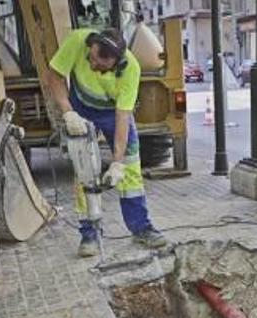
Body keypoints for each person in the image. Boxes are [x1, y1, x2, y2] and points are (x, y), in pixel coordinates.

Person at [43, 27, 168, 257]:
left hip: (113, 112)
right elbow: (54, 75)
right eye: (92, 58)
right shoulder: (78, 40)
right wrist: (68, 112)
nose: (93, 65)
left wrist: (117, 162)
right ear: (91, 46)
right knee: (84, 169)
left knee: (130, 168)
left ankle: (141, 227)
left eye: (100, 65)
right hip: (80, 107)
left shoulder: (130, 69)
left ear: (116, 63)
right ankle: (89, 234)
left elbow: (122, 117)